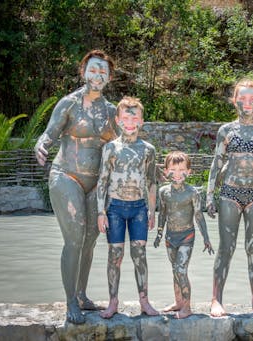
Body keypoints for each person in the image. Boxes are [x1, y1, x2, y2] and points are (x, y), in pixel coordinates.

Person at [34, 50, 117, 324]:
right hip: (66, 175)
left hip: (97, 183)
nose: (98, 75)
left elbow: (122, 145)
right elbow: (50, 133)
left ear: (109, 76)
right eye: (93, 69)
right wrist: (42, 143)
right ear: (83, 72)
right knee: (74, 238)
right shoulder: (69, 103)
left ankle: (81, 294)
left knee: (91, 240)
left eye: (103, 71)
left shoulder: (112, 111)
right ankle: (70, 302)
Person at [206, 79, 253, 318]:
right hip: (230, 193)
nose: (246, 103)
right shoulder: (226, 131)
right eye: (242, 98)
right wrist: (210, 195)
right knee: (225, 248)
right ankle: (216, 299)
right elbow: (216, 165)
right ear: (235, 100)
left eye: (252, 99)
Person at [96, 96, 159, 318]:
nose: (130, 122)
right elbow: (102, 180)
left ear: (141, 121)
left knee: (139, 254)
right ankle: (113, 302)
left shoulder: (148, 149)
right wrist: (100, 212)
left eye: (134, 118)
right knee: (115, 254)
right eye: (125, 118)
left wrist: (152, 211)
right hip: (114, 207)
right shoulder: (111, 148)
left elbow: (152, 182)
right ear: (118, 120)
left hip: (139, 209)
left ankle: (144, 301)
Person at [154, 151, 214, 319]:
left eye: (182, 170)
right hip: (169, 237)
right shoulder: (163, 191)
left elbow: (199, 216)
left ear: (189, 172)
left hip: (187, 236)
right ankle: (178, 302)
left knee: (181, 270)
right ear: (165, 171)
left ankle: (187, 307)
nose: (178, 174)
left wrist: (206, 238)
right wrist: (159, 233)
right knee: (175, 271)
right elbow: (162, 214)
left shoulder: (192, 192)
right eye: (173, 170)